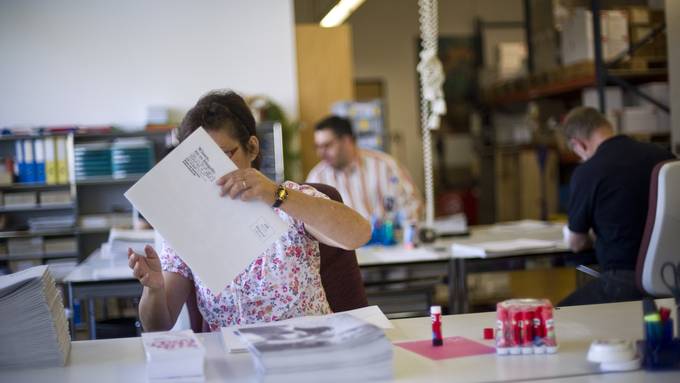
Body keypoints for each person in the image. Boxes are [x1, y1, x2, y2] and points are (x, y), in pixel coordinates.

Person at [128, 90, 371, 331]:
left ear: (251, 148)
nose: (211, 171)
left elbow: (358, 234)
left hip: (303, 351)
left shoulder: (288, 198)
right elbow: (158, 325)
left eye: (220, 156)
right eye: (197, 162)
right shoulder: (188, 221)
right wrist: (154, 289)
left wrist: (278, 196)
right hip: (231, 360)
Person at [559, 106, 675, 306]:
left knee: (554, 319)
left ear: (578, 144)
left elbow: (576, 243)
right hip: (672, 276)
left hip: (624, 283)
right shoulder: (663, 156)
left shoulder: (588, 171)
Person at [306, 115, 423, 224]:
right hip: (343, 245)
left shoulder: (385, 166)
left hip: (390, 243)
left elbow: (413, 205)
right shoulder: (317, 177)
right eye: (318, 147)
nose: (320, 153)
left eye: (327, 146)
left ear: (347, 140)